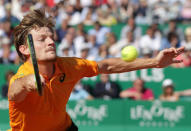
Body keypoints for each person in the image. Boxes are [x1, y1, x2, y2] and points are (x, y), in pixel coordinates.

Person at [8, 9, 184, 131]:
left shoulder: (69, 66)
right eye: (42, 39)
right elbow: (15, 90)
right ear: (24, 49)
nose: (51, 42)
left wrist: (154, 62)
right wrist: (27, 83)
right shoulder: (22, 76)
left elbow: (105, 66)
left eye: (51, 37)